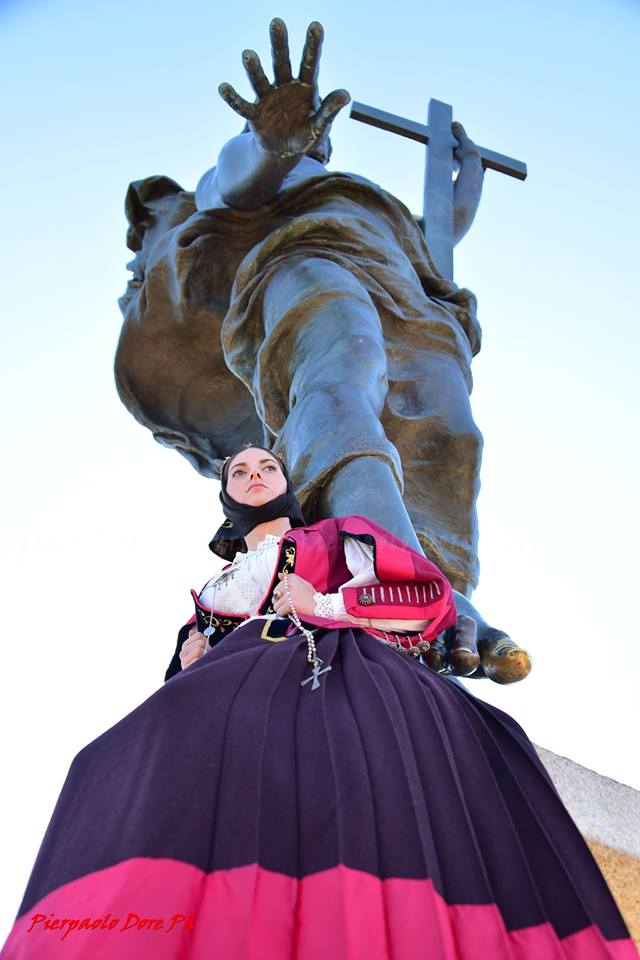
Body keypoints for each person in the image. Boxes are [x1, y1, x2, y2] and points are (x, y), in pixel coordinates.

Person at [2, 444, 636, 959]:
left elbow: (426, 599)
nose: (254, 475)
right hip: (229, 691)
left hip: (329, 664)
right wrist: (190, 661)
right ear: (226, 496)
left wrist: (324, 603)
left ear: (286, 484)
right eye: (239, 472)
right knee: (103, 756)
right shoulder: (212, 591)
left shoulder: (336, 537)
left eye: (267, 467)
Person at [115, 18, 531, 684]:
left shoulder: (368, 201)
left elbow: (430, 242)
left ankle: (440, 599)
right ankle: (401, 580)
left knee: (447, 437)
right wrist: (269, 145)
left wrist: (463, 189)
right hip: (301, 264)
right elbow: (236, 180)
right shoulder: (261, 166)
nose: (312, 132)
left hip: (412, 299)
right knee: (341, 373)